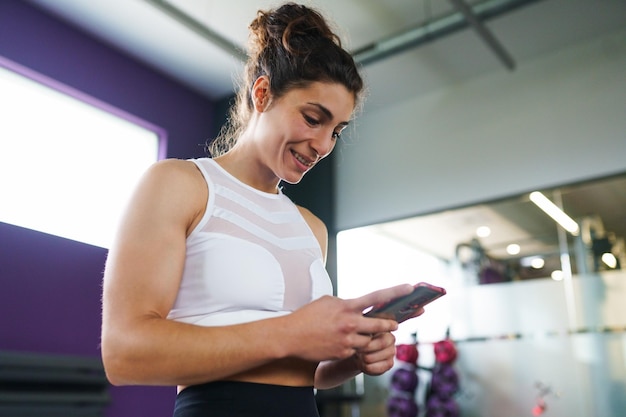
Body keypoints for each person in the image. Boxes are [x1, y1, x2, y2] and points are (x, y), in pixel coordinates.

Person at [101, 3, 421, 416]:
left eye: (336, 131)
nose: (324, 145)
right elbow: (125, 354)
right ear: (263, 94)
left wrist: (351, 356)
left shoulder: (312, 228)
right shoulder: (180, 185)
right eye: (312, 118)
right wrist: (290, 333)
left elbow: (307, 368)